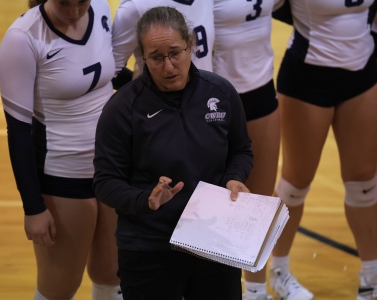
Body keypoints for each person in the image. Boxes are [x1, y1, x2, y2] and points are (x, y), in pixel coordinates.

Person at [93, 6, 253, 300]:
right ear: (141, 56)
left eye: (175, 53)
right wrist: (145, 200)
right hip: (149, 248)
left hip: (214, 243)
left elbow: (241, 149)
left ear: (191, 44)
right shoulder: (122, 109)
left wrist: (234, 178)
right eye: (156, 58)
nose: (168, 67)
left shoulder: (220, 92)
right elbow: (105, 182)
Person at [0, 0, 121, 299]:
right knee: (59, 287)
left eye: (82, 1)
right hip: (62, 177)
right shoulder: (22, 39)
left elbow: (105, 75)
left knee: (112, 273)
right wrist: (33, 207)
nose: (75, 11)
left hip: (113, 168)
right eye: (65, 2)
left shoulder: (101, 9)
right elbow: (18, 132)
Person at [271, 0, 377, 299]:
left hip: (364, 73)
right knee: (295, 184)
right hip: (308, 79)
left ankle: (372, 277)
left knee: (365, 184)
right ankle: (279, 270)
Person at [212, 1, 282, 300]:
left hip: (261, 91)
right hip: (213, 101)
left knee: (260, 204)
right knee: (210, 207)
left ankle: (256, 291)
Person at [110, 0, 214, 89]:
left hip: (205, 96)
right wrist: (141, 93)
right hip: (160, 106)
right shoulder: (135, 6)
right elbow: (109, 72)